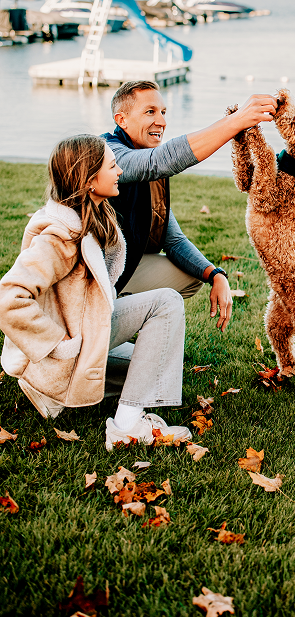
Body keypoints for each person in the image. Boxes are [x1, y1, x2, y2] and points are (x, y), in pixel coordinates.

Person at [0, 135, 192, 450]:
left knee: (154, 365)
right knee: (166, 302)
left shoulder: (95, 217)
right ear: (91, 181)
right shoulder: (59, 237)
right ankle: (125, 426)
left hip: (85, 332)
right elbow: (8, 298)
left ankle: (63, 394)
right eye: (112, 166)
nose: (119, 172)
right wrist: (57, 345)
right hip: (69, 345)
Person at [103, 81, 277, 332]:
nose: (161, 122)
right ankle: (102, 326)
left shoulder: (150, 164)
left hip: (119, 269)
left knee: (191, 276)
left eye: (163, 112)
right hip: (89, 280)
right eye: (150, 111)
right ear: (122, 120)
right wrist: (237, 121)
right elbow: (158, 162)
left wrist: (216, 275)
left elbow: (172, 241)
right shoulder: (108, 155)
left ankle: (119, 318)